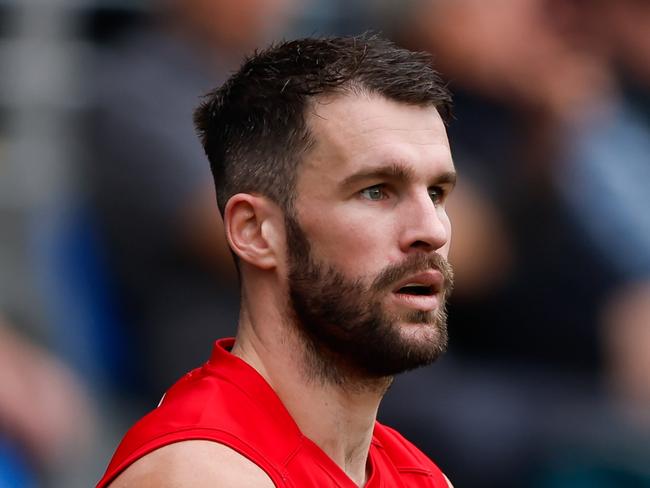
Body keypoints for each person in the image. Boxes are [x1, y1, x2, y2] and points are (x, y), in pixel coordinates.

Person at [97, 34, 456, 488]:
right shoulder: (200, 475)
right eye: (376, 190)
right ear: (254, 231)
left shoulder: (421, 476)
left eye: (437, 193)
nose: (433, 230)